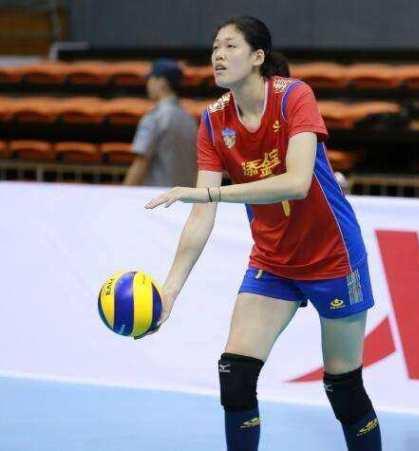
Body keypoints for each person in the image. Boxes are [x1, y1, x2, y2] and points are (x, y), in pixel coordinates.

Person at [143, 16, 382, 451]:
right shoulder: (213, 121)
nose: (218, 55)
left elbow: (297, 183)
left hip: (333, 257)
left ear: (257, 57)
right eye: (215, 47)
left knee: (344, 388)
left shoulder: (294, 97)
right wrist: (170, 290)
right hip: (273, 262)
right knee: (235, 377)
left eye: (230, 46)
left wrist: (211, 193)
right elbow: (201, 214)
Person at [123, 59, 197, 187]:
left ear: (162, 82)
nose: (148, 84)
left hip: (157, 195)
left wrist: (123, 193)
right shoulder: (190, 120)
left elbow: (141, 162)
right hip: (186, 196)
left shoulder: (155, 117)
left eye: (151, 79)